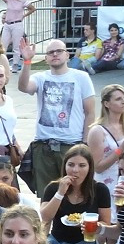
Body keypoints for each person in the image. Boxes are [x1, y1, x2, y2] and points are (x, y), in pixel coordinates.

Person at [18, 37, 96, 198]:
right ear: (46, 58)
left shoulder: (81, 77)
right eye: (50, 52)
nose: (55, 54)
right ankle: (47, 223)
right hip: (44, 145)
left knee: (75, 193)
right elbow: (24, 87)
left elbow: (90, 112)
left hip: (71, 145)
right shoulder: (40, 77)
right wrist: (27, 62)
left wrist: (85, 143)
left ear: (67, 55)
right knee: (47, 195)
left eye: (59, 51)